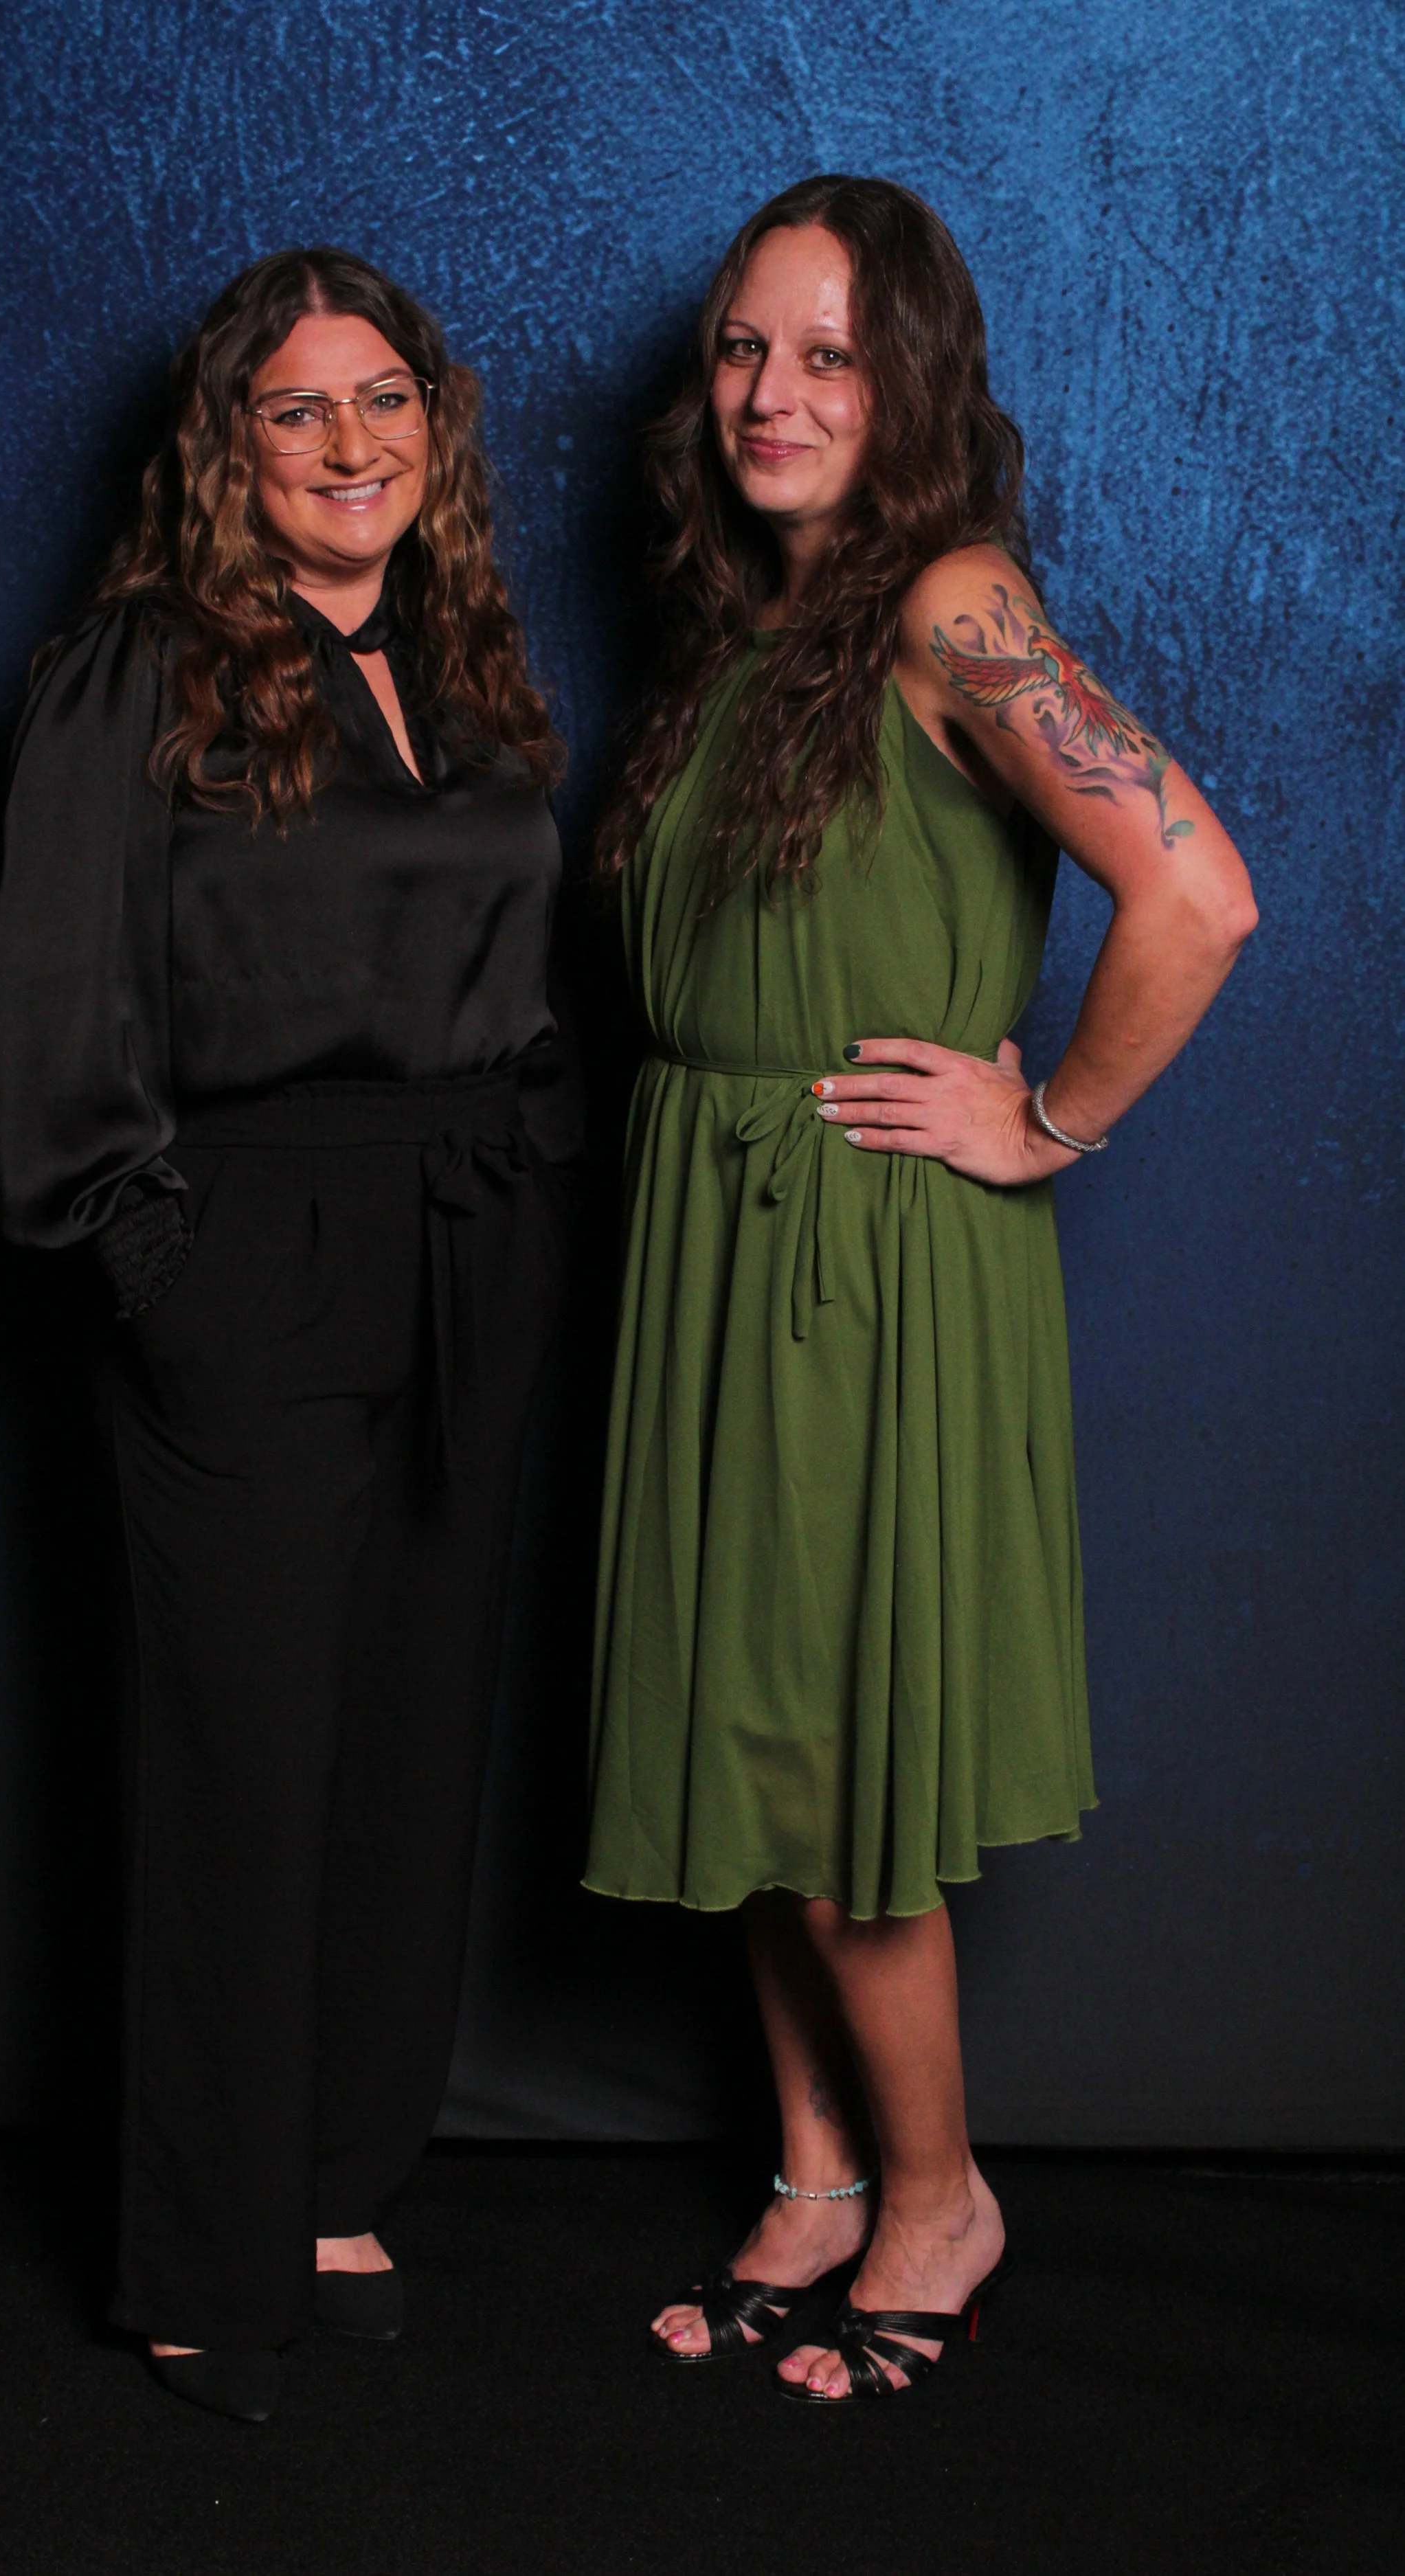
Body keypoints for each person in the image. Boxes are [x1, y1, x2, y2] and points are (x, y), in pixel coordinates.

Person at [586, 176, 1256, 2408]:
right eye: (740, 350)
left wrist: (1046, 1117)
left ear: (915, 387)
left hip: (862, 1258)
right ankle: (814, 2171)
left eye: (831, 354)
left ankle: (941, 2188)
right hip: (715, 1220)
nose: (772, 394)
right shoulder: (747, 619)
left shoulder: (948, 605)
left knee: (834, 1757)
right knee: (754, 1745)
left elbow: (1195, 888)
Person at [0, 247, 577, 2422]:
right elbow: (56, 1007)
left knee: (413, 1732)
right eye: (299, 409)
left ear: (437, 425)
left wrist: (532, 1193)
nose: (352, 445)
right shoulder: (133, 669)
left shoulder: (470, 667)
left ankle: (337, 2175)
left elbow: (525, 982)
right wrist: (156, 1258)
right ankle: (203, 2250)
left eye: (385, 399)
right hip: (248, 1240)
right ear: (228, 444)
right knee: (239, 1757)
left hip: (472, 1236)